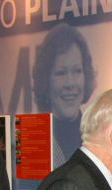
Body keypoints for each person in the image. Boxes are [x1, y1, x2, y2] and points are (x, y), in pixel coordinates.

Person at [32, 23, 97, 167]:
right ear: (46, 81)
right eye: (61, 73)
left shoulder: (98, 137)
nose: (70, 83)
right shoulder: (33, 140)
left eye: (77, 71)